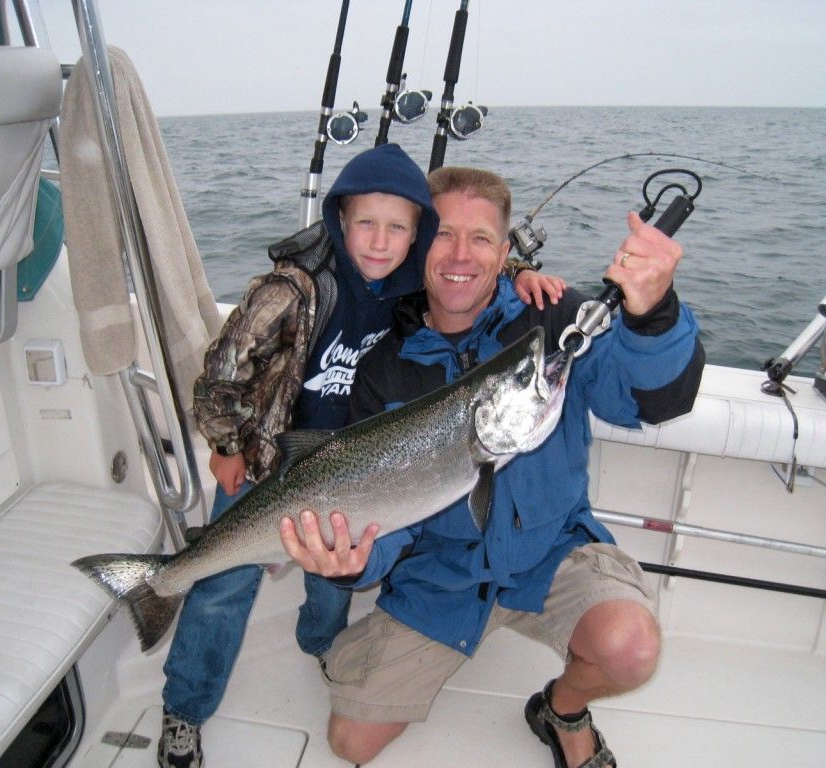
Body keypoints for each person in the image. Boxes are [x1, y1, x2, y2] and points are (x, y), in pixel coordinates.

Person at [280, 166, 705, 767]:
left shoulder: (554, 318)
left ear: (505, 253)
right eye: (444, 235)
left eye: (481, 238)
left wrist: (654, 315)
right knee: (349, 743)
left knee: (629, 649)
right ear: (418, 244)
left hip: (550, 553)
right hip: (441, 575)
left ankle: (562, 708)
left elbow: (650, 400)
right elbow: (386, 506)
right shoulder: (384, 366)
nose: (460, 254)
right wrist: (353, 565)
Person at [158, 146, 566, 768]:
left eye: (399, 227)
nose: (381, 241)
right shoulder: (292, 289)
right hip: (267, 457)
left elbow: (463, 273)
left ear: (415, 237)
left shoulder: (407, 281)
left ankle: (321, 643)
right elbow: (222, 370)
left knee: (333, 580)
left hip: (348, 460)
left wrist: (519, 275)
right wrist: (225, 446)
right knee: (221, 584)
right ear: (339, 221)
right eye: (365, 224)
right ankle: (184, 704)